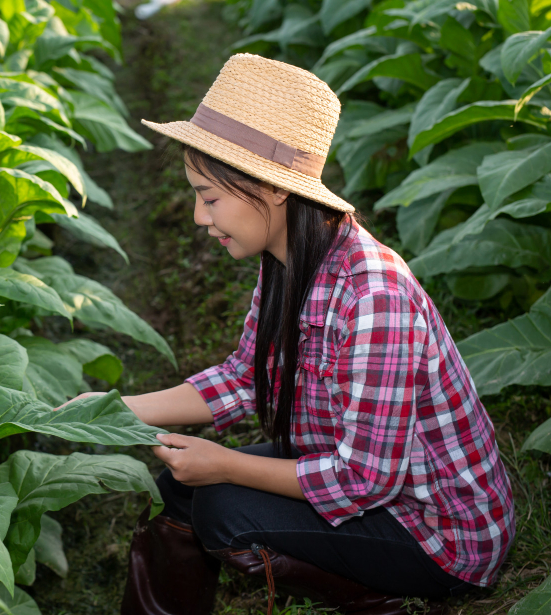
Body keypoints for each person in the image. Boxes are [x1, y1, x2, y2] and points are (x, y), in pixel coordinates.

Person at [61, 54, 515, 615]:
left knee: (222, 507)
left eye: (209, 198)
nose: (201, 219)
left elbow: (364, 481)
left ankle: (383, 601)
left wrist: (224, 464)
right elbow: (243, 379)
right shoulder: (289, 260)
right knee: (178, 487)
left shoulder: (375, 299)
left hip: (435, 532)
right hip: (355, 468)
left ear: (272, 189)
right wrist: (111, 410)